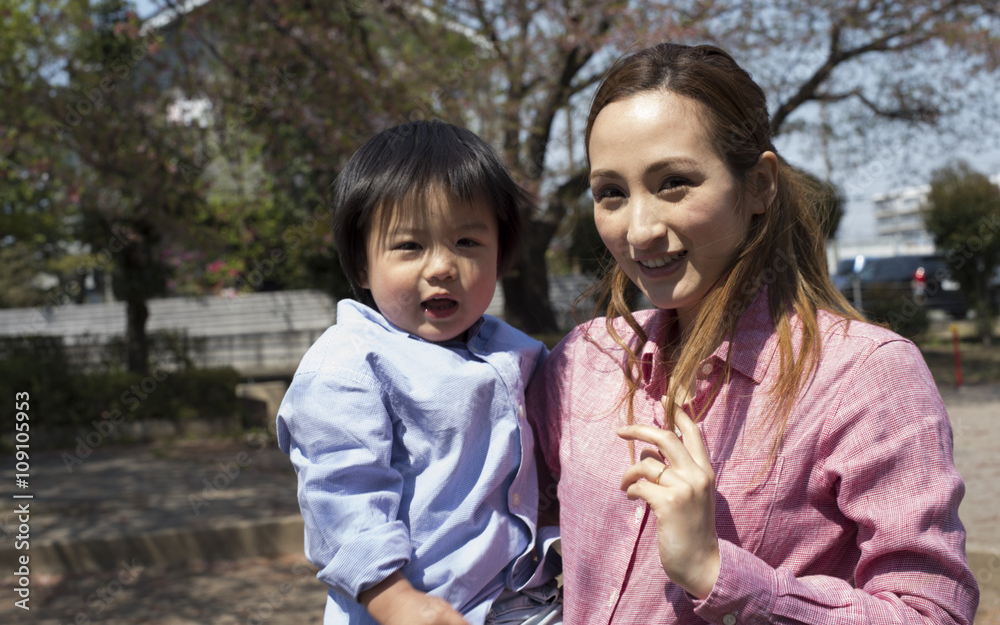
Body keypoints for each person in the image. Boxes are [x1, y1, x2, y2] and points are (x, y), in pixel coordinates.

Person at [526, 43, 979, 624]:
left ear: (760, 184)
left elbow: (931, 613)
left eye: (674, 183)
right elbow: (498, 529)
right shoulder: (584, 360)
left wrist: (719, 575)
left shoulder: (865, 376)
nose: (638, 230)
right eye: (611, 192)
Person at [277, 121, 562, 625]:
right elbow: (342, 495)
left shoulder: (520, 355)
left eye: (468, 242)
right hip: (402, 609)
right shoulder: (351, 361)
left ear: (501, 253)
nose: (442, 267)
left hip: (521, 604)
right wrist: (397, 602)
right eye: (409, 246)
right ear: (362, 266)